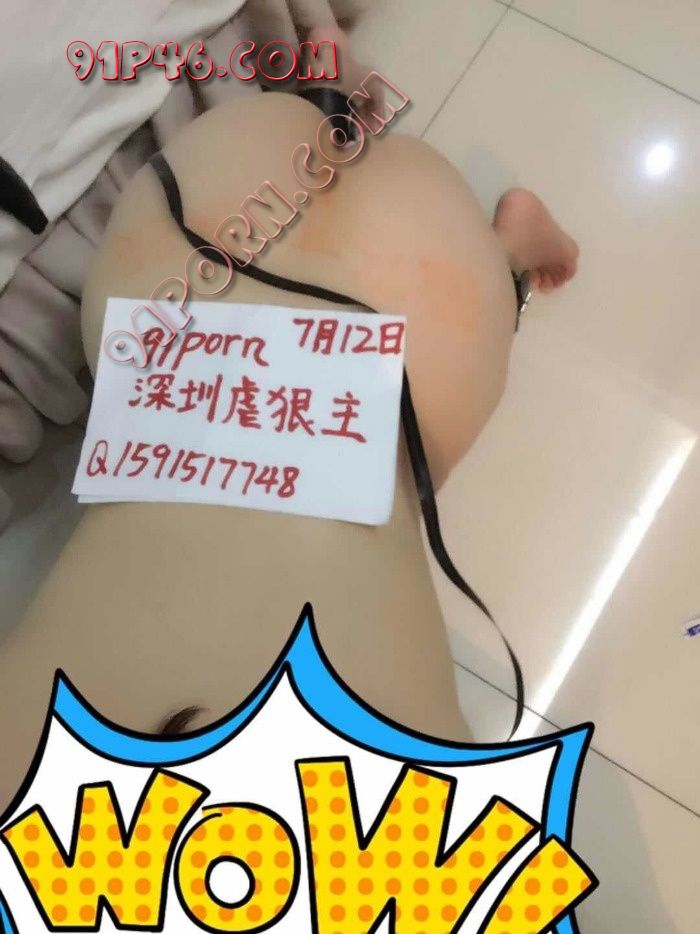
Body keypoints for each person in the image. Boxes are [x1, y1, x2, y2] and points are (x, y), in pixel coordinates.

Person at [0, 90, 578, 812]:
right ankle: (488, 239)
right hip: (213, 200)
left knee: (417, 423)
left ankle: (505, 256)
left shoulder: (408, 848)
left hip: (358, 246)